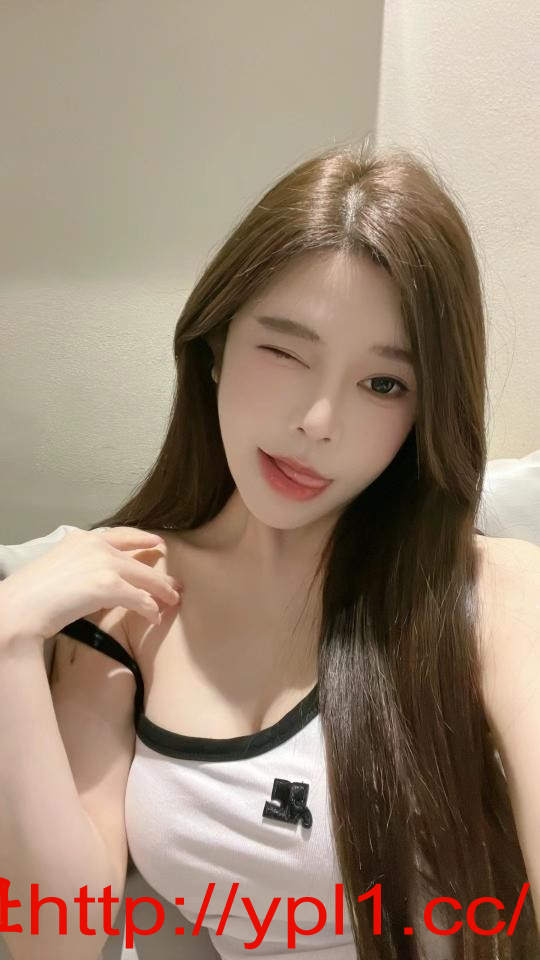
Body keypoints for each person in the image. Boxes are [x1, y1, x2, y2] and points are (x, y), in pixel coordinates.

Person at [1, 139, 539, 960]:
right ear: (214, 345)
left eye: (383, 384)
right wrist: (9, 643)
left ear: (425, 412)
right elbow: (54, 939)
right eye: (285, 351)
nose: (319, 421)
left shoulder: (493, 597)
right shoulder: (125, 602)